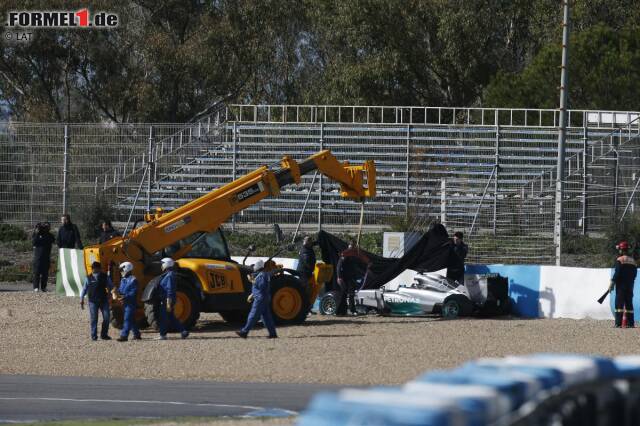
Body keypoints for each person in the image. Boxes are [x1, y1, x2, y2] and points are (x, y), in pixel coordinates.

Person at [236, 259, 277, 339]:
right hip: (263, 297)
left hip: (260, 299)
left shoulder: (262, 275)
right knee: (266, 317)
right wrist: (252, 295)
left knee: (253, 315)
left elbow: (262, 286)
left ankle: (244, 332)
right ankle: (273, 333)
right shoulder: (263, 274)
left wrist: (252, 280)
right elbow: (260, 288)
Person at [155, 258, 189, 340]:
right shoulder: (168, 274)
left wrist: (168, 302)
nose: (161, 265)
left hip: (167, 299)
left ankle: (162, 335)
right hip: (167, 299)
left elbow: (170, 290)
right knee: (171, 317)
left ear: (166, 264)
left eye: (162, 263)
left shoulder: (169, 275)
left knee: (163, 317)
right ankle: (183, 331)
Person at [80, 261, 114, 341]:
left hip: (104, 300)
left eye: (95, 268)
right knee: (94, 319)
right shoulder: (88, 278)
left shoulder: (105, 276)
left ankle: (104, 334)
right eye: (93, 268)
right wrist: (81, 299)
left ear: (99, 268)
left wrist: (110, 293)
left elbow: (111, 286)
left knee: (107, 317)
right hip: (92, 301)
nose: (94, 270)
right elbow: (84, 289)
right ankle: (94, 336)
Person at [336, 241, 371, 315]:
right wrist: (339, 277)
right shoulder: (345, 254)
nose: (353, 247)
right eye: (352, 245)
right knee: (343, 294)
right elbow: (339, 266)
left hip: (351, 277)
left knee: (351, 294)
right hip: (344, 277)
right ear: (349, 245)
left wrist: (368, 263)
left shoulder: (355, 254)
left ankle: (352, 310)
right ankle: (340, 311)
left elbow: (360, 262)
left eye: (354, 245)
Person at [609, 241, 638, 328]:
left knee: (619, 304)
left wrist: (612, 283)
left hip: (621, 286)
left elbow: (617, 273)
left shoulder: (620, 260)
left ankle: (618, 323)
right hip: (630, 286)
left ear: (621, 250)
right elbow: (635, 274)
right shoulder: (633, 261)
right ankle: (630, 324)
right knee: (629, 304)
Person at [115, 261, 141, 341]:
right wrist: (116, 291)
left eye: (122, 270)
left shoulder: (133, 280)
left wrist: (124, 297)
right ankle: (137, 335)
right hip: (125, 303)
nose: (121, 272)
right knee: (131, 319)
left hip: (131, 303)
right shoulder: (123, 280)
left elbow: (134, 292)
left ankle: (124, 336)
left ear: (127, 269)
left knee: (127, 319)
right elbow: (121, 290)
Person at [31, 222, 55, 292]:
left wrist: (46, 234)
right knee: (36, 272)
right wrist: (36, 233)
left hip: (46, 257)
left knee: (45, 273)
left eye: (47, 227)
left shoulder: (50, 235)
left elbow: (53, 240)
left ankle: (43, 287)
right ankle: (36, 287)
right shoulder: (37, 234)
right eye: (44, 227)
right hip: (38, 257)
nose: (45, 228)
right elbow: (34, 242)